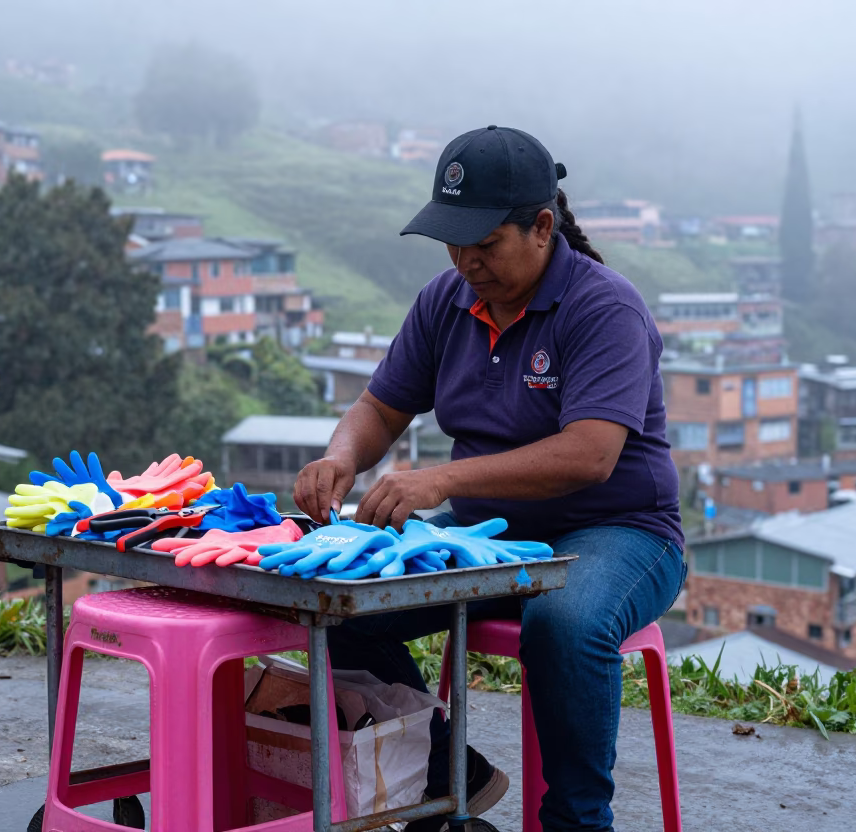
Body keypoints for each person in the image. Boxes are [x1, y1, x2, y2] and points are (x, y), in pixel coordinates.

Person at [291, 126, 687, 832]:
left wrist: (439, 480)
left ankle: (577, 821)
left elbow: (589, 454)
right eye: (454, 243)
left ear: (542, 227)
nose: (467, 261)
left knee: (563, 621)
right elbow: (379, 408)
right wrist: (340, 458)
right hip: (487, 536)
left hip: (620, 532)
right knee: (344, 600)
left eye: (486, 243)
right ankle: (445, 776)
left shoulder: (605, 309)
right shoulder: (446, 301)